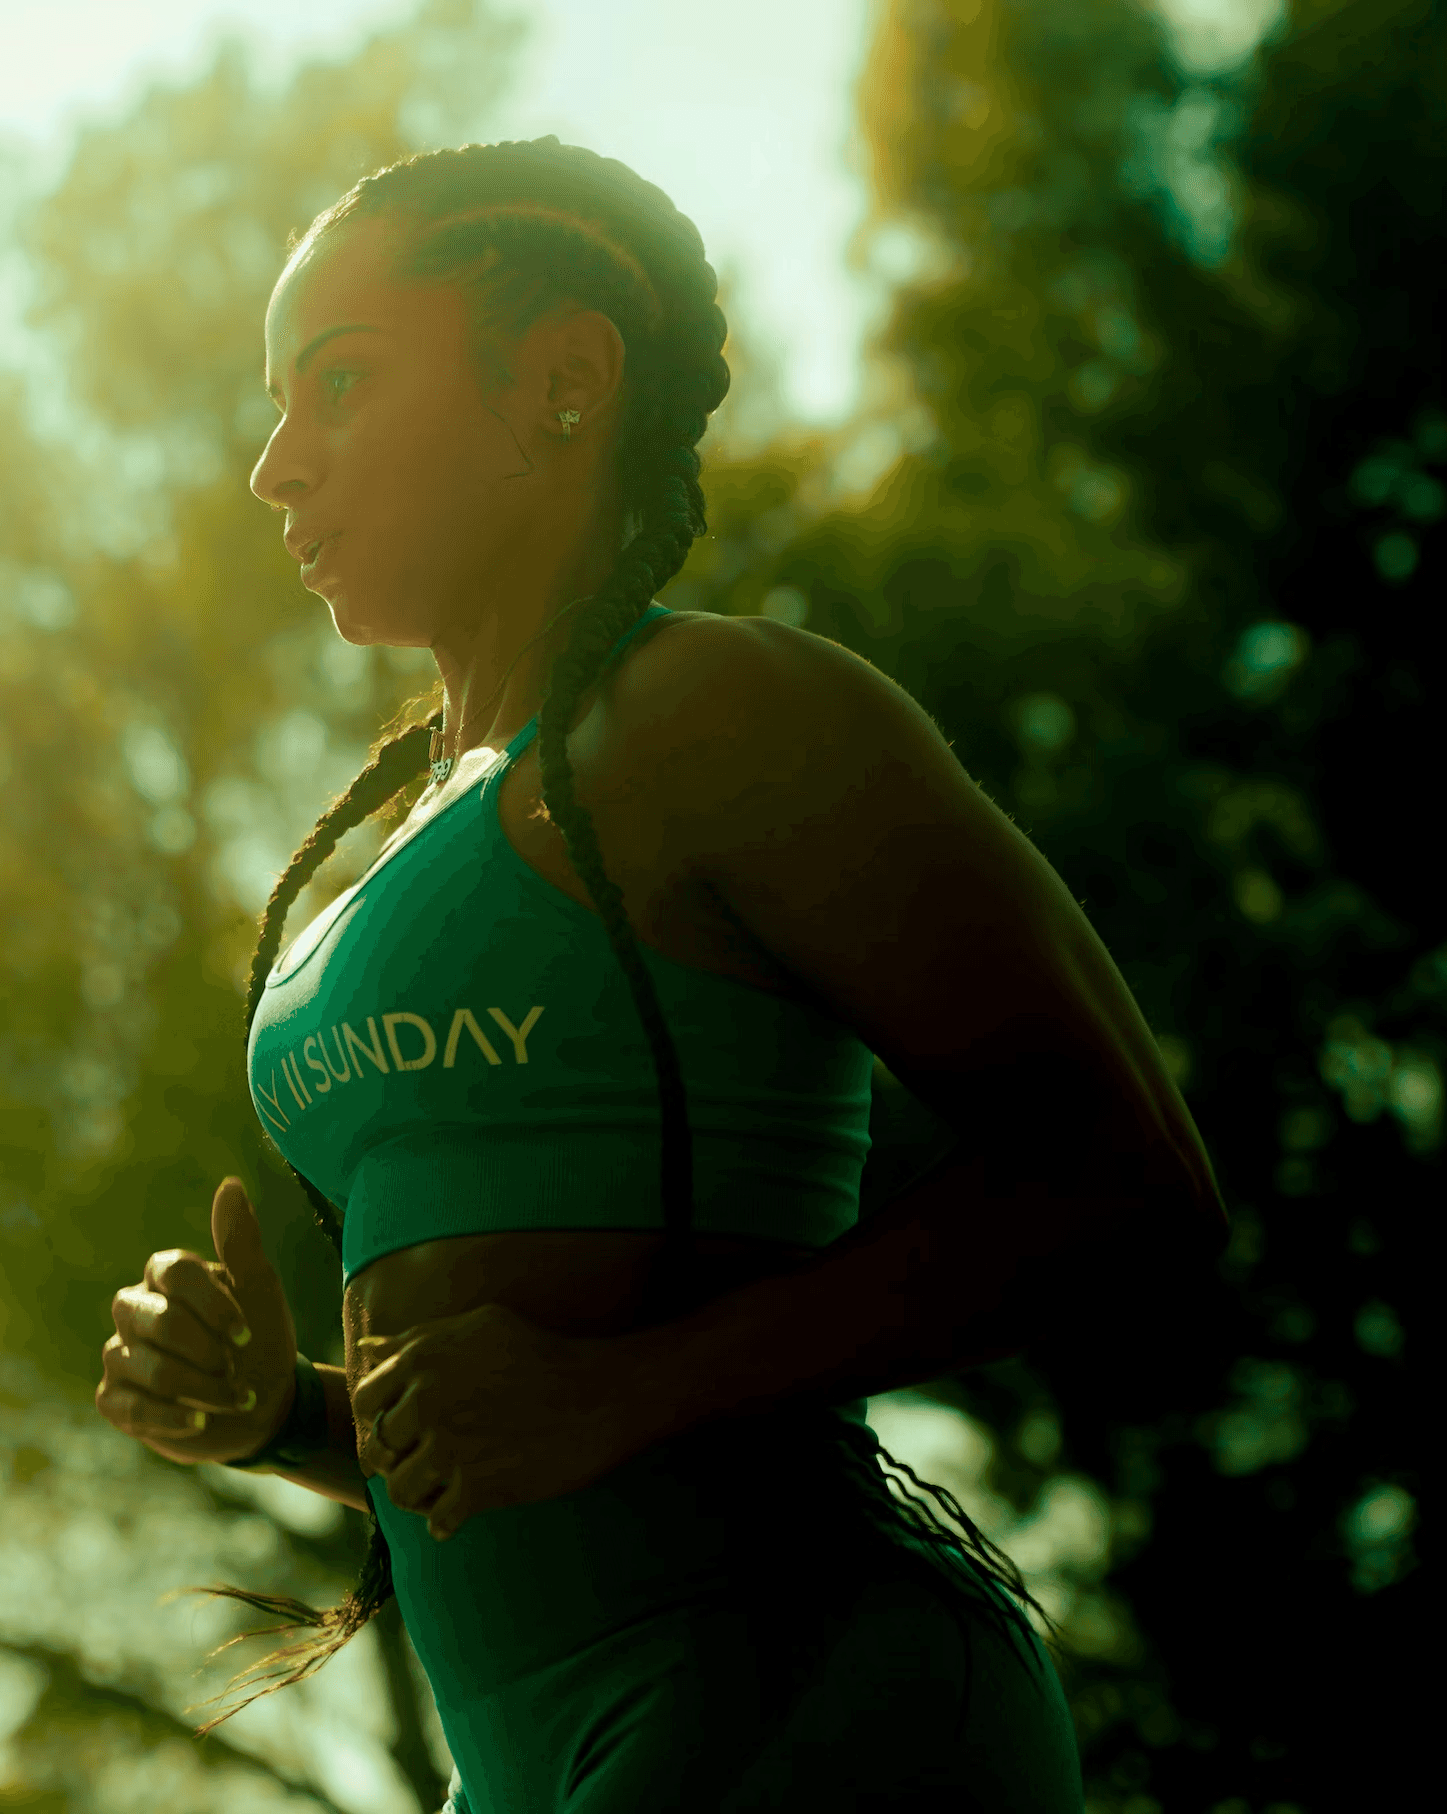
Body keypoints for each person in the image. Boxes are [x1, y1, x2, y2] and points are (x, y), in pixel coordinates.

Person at [91, 137, 1229, 1813]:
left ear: (562, 380)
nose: (277, 466)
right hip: (535, 1753)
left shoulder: (719, 717)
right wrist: (277, 1417)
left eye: (339, 384)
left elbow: (1132, 1189)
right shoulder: (410, 831)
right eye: (278, 404)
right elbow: (527, 1425)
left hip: (807, 1682)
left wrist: (622, 1390)